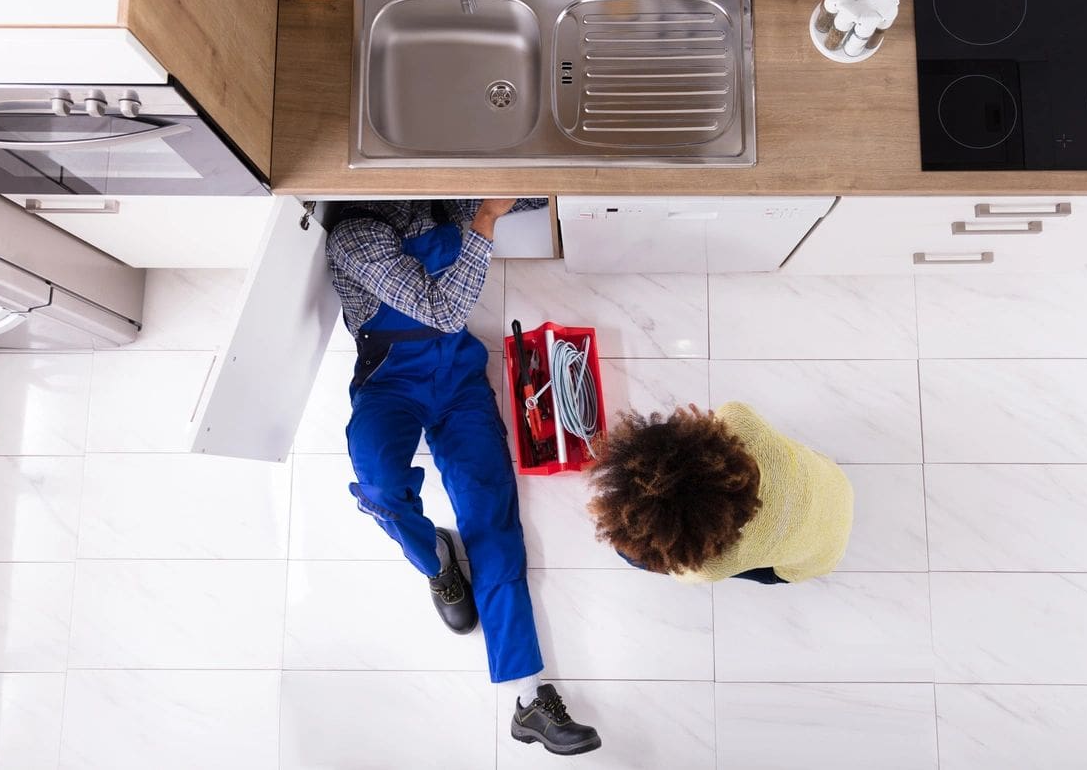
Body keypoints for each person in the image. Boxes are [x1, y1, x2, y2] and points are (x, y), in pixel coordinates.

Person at [326, 198, 601, 757]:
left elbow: (526, 192)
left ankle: (529, 700)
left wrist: (532, 183)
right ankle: (437, 563)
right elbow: (443, 310)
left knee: (494, 525)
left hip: (458, 382)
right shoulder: (353, 235)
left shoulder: (441, 200)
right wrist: (484, 221)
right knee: (380, 488)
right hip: (389, 385)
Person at [586, 402, 853, 584]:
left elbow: (683, 570)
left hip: (817, 558)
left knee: (630, 556)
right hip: (834, 482)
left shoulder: (714, 566)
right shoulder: (738, 417)